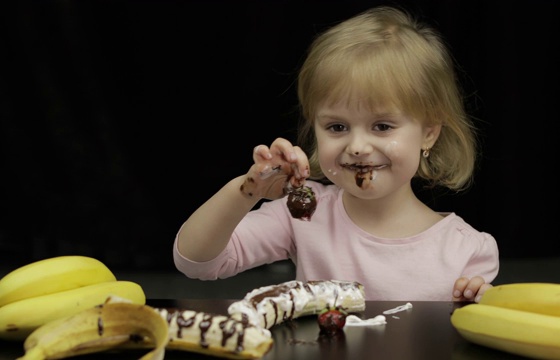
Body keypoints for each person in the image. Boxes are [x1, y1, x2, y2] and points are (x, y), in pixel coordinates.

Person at [173, 6, 499, 302]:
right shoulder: (304, 212)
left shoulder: (467, 250)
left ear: (429, 131)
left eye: (382, 126)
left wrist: (481, 306)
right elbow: (196, 262)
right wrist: (247, 191)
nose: (357, 146)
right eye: (337, 127)